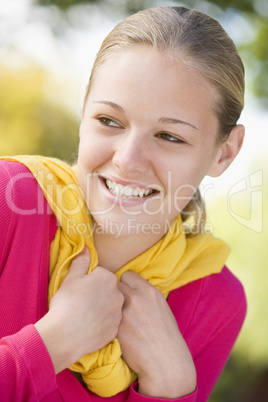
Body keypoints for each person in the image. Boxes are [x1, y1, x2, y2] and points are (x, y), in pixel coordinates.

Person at [0, 5, 247, 402]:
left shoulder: (216, 302)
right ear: (84, 110)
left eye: (169, 136)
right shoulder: (8, 201)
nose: (127, 160)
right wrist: (51, 345)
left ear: (225, 152)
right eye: (109, 121)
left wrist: (171, 383)